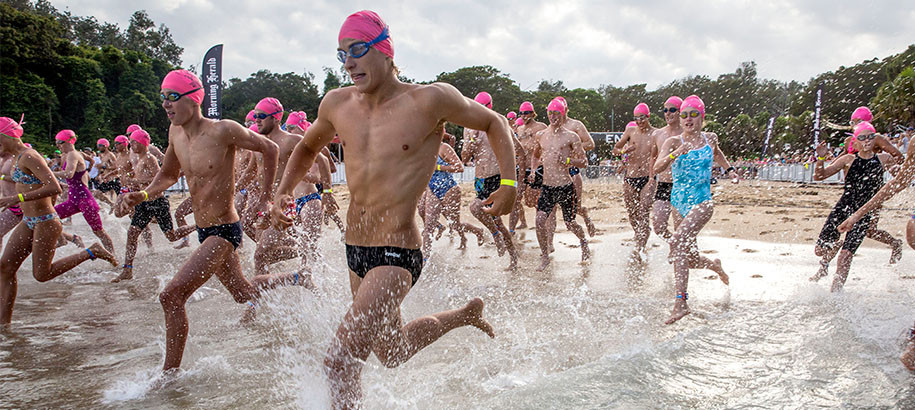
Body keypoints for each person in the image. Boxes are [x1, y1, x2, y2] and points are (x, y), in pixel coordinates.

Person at [268, 11, 510, 407]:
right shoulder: (336, 103)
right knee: (391, 352)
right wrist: (281, 191)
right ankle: (464, 316)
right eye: (342, 54)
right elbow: (307, 146)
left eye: (357, 50)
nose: (348, 62)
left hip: (397, 254)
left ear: (384, 49)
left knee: (339, 361)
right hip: (355, 251)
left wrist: (510, 185)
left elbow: (494, 123)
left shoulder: (430, 99)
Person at [119, 69, 306, 372]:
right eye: (162, 97)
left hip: (224, 229)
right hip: (205, 231)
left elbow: (269, 147)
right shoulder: (175, 134)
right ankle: (298, 277)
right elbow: (167, 175)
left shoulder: (223, 130)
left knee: (171, 296)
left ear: (193, 99)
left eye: (172, 97)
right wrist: (143, 194)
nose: (165, 104)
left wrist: (265, 197)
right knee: (242, 293)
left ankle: (170, 376)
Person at [0, 116, 118, 326]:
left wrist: (14, 199)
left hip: (45, 221)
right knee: (6, 268)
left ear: (5, 135)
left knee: (42, 275)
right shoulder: (17, 157)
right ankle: (4, 325)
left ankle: (91, 251)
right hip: (28, 220)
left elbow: (55, 187)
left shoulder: (29, 156)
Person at [653, 95, 734, 325]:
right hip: (679, 203)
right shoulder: (673, 142)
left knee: (677, 242)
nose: (688, 119)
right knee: (689, 258)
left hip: (702, 201)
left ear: (702, 117)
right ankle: (714, 266)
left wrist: (730, 171)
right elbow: (656, 168)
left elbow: (718, 154)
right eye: (684, 115)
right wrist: (675, 154)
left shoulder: (711, 138)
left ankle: (681, 303)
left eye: (694, 114)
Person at [809, 121, 898, 291]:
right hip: (843, 208)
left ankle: (836, 294)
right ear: (855, 142)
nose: (867, 141)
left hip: (864, 212)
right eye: (862, 137)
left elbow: (899, 176)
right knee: (819, 250)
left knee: (845, 256)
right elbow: (820, 176)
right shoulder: (848, 160)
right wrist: (820, 158)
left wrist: (900, 171)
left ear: (875, 139)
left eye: (871, 137)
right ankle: (830, 254)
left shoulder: (884, 159)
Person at [112, 129, 196, 282]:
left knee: (171, 236)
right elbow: (143, 176)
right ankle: (127, 269)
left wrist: (136, 182)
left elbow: (158, 179)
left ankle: (198, 226)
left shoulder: (149, 158)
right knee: (132, 233)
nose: (131, 145)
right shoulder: (139, 158)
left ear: (142, 143)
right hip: (144, 203)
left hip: (157, 202)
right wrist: (132, 176)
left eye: (133, 143)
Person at [530, 97, 590, 271]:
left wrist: (569, 160)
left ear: (563, 114)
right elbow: (535, 155)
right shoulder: (541, 135)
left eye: (556, 113)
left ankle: (583, 241)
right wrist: (534, 171)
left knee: (570, 223)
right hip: (547, 187)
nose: (553, 116)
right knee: (540, 220)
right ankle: (545, 256)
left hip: (565, 186)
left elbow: (584, 162)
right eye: (550, 113)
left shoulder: (571, 136)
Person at [461, 91, 519, 269]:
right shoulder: (469, 128)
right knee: (493, 220)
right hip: (480, 180)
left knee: (477, 208)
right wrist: (472, 141)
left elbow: (518, 150)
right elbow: (464, 157)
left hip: (497, 177)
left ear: (489, 107)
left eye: (481, 108)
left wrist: (517, 181)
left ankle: (504, 246)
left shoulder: (499, 124)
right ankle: (506, 247)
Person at [421, 133, 486, 255]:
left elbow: (460, 167)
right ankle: (425, 260)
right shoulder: (423, 148)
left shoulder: (444, 147)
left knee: (455, 224)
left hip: (450, 189)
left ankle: (477, 231)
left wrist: (438, 167)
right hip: (432, 189)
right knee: (428, 226)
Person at [52, 130, 115, 252]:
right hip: (73, 199)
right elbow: (90, 161)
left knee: (98, 231)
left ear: (69, 141)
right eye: (56, 143)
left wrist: (48, 173)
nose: (58, 146)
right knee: (50, 217)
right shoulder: (72, 154)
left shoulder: (73, 154)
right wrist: (86, 171)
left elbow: (68, 174)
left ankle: (113, 255)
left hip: (85, 199)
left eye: (60, 142)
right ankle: (68, 239)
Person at [613, 103, 658, 262]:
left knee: (643, 210)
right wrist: (624, 153)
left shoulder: (656, 133)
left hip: (648, 178)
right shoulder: (630, 131)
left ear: (648, 117)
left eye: (642, 118)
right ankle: (640, 233)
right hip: (630, 177)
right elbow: (615, 150)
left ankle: (640, 246)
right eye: (636, 118)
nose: (639, 121)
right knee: (632, 213)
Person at [554, 97, 597, 237]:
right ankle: (548, 244)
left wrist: (572, 148)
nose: (557, 114)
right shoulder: (551, 127)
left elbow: (590, 144)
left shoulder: (575, 125)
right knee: (552, 209)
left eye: (560, 111)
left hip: (572, 171)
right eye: (553, 111)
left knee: (575, 208)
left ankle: (586, 217)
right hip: (555, 173)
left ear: (566, 110)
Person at [651, 96, 684, 240]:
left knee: (681, 228)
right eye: (665, 110)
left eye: (672, 110)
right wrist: (651, 179)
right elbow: (653, 158)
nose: (668, 113)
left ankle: (683, 254)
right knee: (658, 226)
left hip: (683, 185)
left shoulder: (687, 133)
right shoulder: (658, 134)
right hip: (663, 184)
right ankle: (674, 245)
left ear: (680, 112)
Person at [514, 101, 547, 231]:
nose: (523, 116)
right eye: (521, 113)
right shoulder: (520, 129)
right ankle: (512, 229)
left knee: (532, 200)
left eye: (526, 113)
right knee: (516, 199)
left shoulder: (541, 126)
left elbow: (547, 144)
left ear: (533, 113)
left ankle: (542, 224)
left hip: (537, 167)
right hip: (522, 168)